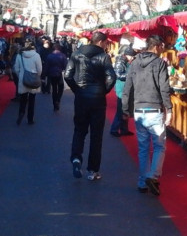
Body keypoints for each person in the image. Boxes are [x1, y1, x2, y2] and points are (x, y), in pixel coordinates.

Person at [122, 34, 172, 196]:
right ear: (156, 46)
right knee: (159, 146)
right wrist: (169, 109)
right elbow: (164, 88)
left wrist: (125, 109)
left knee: (143, 147)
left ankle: (143, 181)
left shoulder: (134, 63)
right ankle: (153, 175)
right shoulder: (159, 64)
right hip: (154, 109)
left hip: (139, 111)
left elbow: (127, 88)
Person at [64, 31, 116, 180]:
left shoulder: (77, 54)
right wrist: (103, 90)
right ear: (100, 42)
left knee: (79, 130)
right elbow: (111, 77)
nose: (107, 45)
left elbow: (67, 75)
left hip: (81, 98)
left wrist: (77, 90)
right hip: (98, 100)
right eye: (106, 43)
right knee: (96, 135)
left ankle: (76, 158)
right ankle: (93, 170)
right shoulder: (104, 57)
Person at [13, 40, 42, 125]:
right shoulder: (36, 56)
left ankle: (21, 113)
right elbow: (39, 69)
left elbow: (16, 69)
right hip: (33, 79)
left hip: (23, 78)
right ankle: (30, 118)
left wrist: (20, 76)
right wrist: (37, 75)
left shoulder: (19, 55)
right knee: (32, 100)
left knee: (23, 99)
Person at [110, 45, 136, 137]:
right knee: (121, 110)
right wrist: (131, 74)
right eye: (131, 56)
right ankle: (114, 129)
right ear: (126, 55)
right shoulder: (120, 61)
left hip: (126, 88)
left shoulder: (127, 61)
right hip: (122, 88)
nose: (132, 58)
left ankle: (124, 129)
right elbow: (119, 75)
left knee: (125, 110)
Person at [45, 43, 68, 111]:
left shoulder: (49, 56)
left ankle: (55, 104)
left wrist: (45, 74)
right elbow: (65, 66)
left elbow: (47, 66)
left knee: (54, 89)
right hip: (59, 73)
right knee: (61, 87)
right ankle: (58, 99)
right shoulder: (63, 56)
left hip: (52, 74)